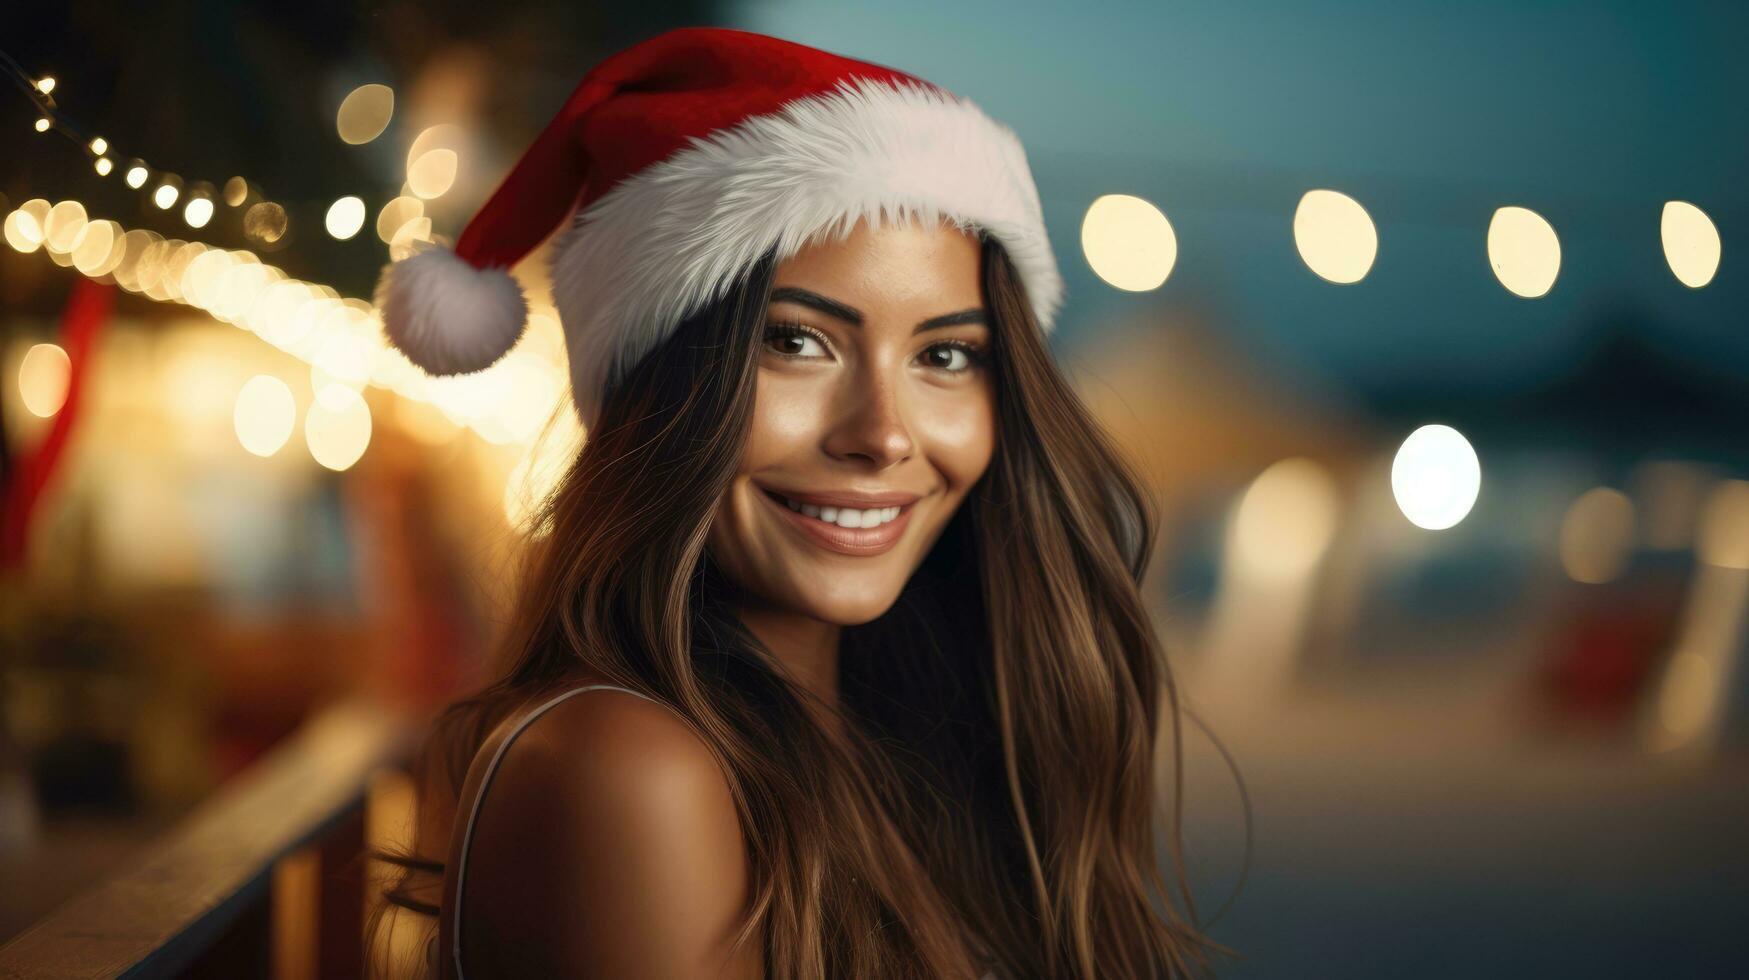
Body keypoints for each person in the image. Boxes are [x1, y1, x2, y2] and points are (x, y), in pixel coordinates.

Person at [367, 26, 1231, 979]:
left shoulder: (886, 741)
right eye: (797, 342)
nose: (885, 434)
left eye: (944, 355)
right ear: (659, 382)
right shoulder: (630, 768)